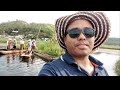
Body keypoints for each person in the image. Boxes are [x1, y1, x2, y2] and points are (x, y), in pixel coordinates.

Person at [38, 11, 111, 76]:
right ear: (65, 40)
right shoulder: (51, 71)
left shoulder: (102, 70)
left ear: (94, 38)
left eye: (89, 32)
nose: (82, 37)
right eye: (74, 32)